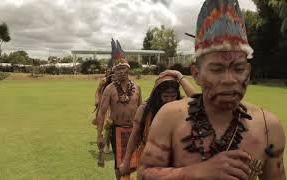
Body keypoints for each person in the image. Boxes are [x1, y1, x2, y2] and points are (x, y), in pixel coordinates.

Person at [138, 0, 286, 180]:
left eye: (238, 69)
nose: (229, 80)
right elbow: (144, 175)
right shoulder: (170, 117)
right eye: (217, 69)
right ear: (196, 74)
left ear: (248, 71)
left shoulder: (269, 128)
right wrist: (196, 172)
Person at [118, 70, 195, 176]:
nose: (169, 100)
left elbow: (196, 100)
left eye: (173, 95)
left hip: (174, 162)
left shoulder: (181, 107)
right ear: (157, 95)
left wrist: (179, 76)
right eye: (165, 96)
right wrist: (126, 162)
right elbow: (134, 136)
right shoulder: (145, 110)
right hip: (149, 162)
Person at [97, 39, 142, 179]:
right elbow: (102, 113)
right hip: (117, 131)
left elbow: (141, 110)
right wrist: (99, 135)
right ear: (114, 71)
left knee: (137, 164)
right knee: (120, 165)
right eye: (118, 69)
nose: (121, 71)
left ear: (128, 69)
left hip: (135, 131)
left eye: (123, 68)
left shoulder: (137, 88)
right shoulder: (109, 89)